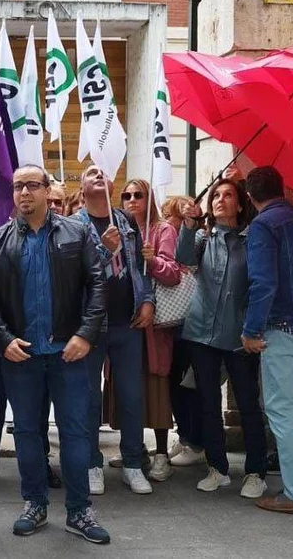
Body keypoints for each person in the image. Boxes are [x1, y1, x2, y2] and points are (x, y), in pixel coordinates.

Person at [0, 164, 109, 544]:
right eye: (18, 186)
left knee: (76, 432)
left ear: (46, 189)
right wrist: (3, 340)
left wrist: (85, 335)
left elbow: (97, 285)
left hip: (69, 353)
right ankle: (34, 503)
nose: (24, 193)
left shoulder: (76, 231)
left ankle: (80, 510)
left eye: (32, 186)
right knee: (28, 433)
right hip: (22, 355)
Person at [241, 166, 293, 516]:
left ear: (250, 196)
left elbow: (263, 282)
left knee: (280, 407)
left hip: (282, 325)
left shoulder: (263, 225)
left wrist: (250, 330)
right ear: (282, 188)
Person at [177, 179, 267, 499]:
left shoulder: (253, 238)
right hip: (202, 333)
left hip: (239, 335)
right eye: (216, 195)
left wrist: (253, 329)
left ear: (240, 204)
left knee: (248, 404)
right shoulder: (202, 237)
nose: (220, 200)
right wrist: (188, 224)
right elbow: (183, 258)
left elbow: (259, 284)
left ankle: (256, 472)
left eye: (228, 195)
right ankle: (217, 468)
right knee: (208, 404)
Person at [71, 166, 155, 495]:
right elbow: (77, 276)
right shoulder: (73, 225)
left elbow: (137, 267)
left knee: (132, 396)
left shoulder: (126, 221)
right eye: (90, 172)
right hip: (92, 325)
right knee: (90, 397)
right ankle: (92, 463)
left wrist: (146, 300)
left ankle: (133, 462)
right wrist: (105, 251)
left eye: (103, 172)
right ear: (81, 187)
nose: (98, 174)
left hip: (127, 322)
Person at [0, 215, 62, 490]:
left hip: (39, 333)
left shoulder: (54, 227)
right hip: (0, 332)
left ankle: (40, 462)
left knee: (40, 401)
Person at [114, 179, 181, 483]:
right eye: (126, 195)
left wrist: (152, 259)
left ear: (149, 197)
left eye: (138, 195)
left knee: (155, 387)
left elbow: (173, 274)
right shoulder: (118, 229)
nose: (131, 200)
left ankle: (162, 453)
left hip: (154, 326)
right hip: (123, 320)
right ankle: (134, 448)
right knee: (126, 388)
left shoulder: (162, 229)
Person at [161, 193, 204, 465]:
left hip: (191, 323)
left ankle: (195, 440)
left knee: (188, 384)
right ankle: (186, 435)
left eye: (171, 216)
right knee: (176, 382)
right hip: (175, 323)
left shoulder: (196, 241)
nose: (167, 222)